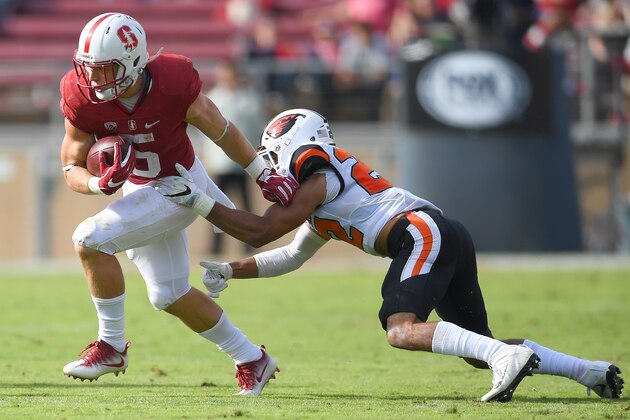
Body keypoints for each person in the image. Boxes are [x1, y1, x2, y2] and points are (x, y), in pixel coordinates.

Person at [155, 108, 625, 402]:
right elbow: (291, 255)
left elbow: (260, 231)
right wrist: (229, 270)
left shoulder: (315, 174)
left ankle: (508, 359)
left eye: (273, 157)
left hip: (419, 233)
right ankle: (589, 371)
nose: (272, 167)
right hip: (440, 232)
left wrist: (198, 201)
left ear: (295, 150)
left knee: (401, 330)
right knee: (482, 351)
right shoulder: (323, 198)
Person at [58, 12, 299, 395]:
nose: (94, 79)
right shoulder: (80, 93)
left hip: (179, 185)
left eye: (105, 70)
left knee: (89, 238)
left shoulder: (172, 81)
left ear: (135, 61)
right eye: (89, 69)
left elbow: (220, 129)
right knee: (168, 294)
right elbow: (71, 163)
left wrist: (261, 172)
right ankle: (252, 358)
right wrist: (96, 184)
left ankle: (111, 345)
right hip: (137, 191)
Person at [204, 60, 266, 255]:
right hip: (221, 162)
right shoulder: (212, 98)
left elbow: (257, 127)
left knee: (246, 207)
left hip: (241, 163)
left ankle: (250, 244)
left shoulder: (250, 99)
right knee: (218, 208)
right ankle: (216, 248)